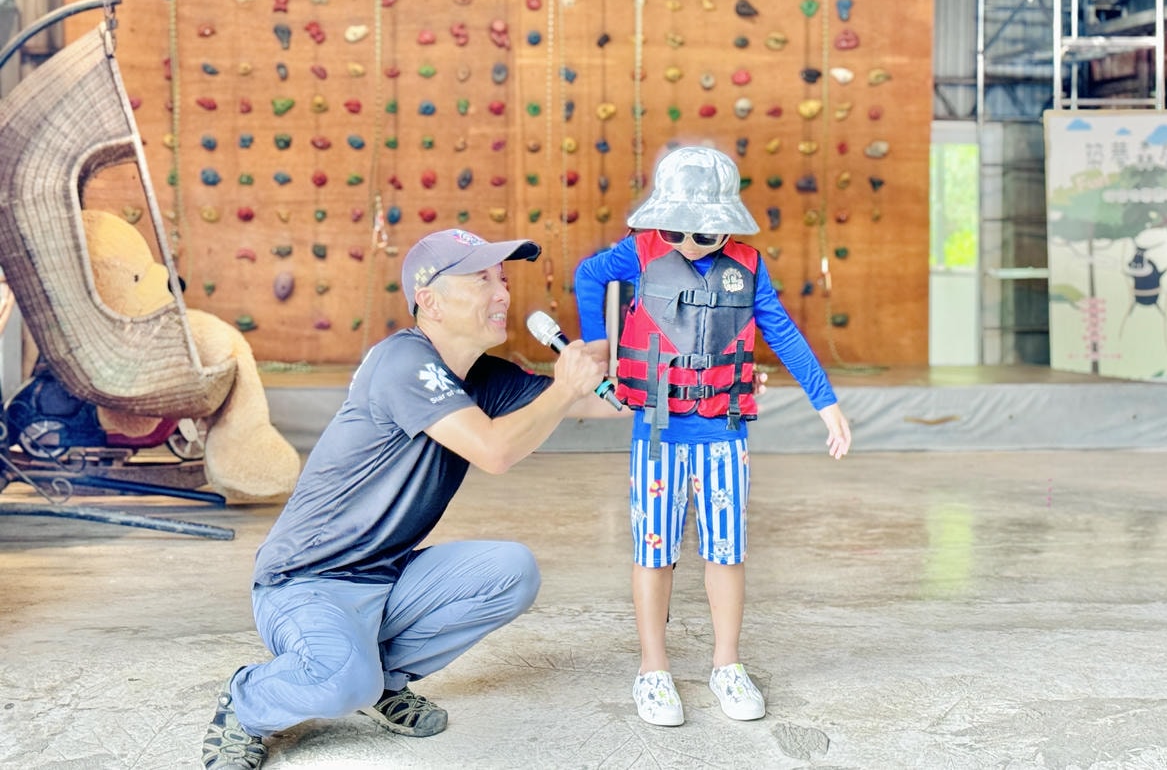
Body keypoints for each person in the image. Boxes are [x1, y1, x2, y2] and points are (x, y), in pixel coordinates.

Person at [202, 228, 609, 770]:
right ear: (430, 301)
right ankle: (248, 703)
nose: (503, 293)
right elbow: (494, 451)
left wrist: (635, 361)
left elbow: (602, 406)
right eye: (482, 278)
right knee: (341, 679)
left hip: (386, 578)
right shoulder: (402, 363)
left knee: (512, 570)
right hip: (306, 584)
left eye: (504, 279)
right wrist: (565, 388)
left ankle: (384, 683)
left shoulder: (483, 378)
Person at [573, 145, 852, 728]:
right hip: (656, 431)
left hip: (723, 430)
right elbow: (588, 274)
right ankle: (653, 669)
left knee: (727, 550)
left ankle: (727, 663)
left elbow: (781, 329)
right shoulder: (641, 252)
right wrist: (595, 345)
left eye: (701, 233)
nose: (685, 243)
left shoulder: (747, 266)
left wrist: (825, 401)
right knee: (654, 550)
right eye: (673, 229)